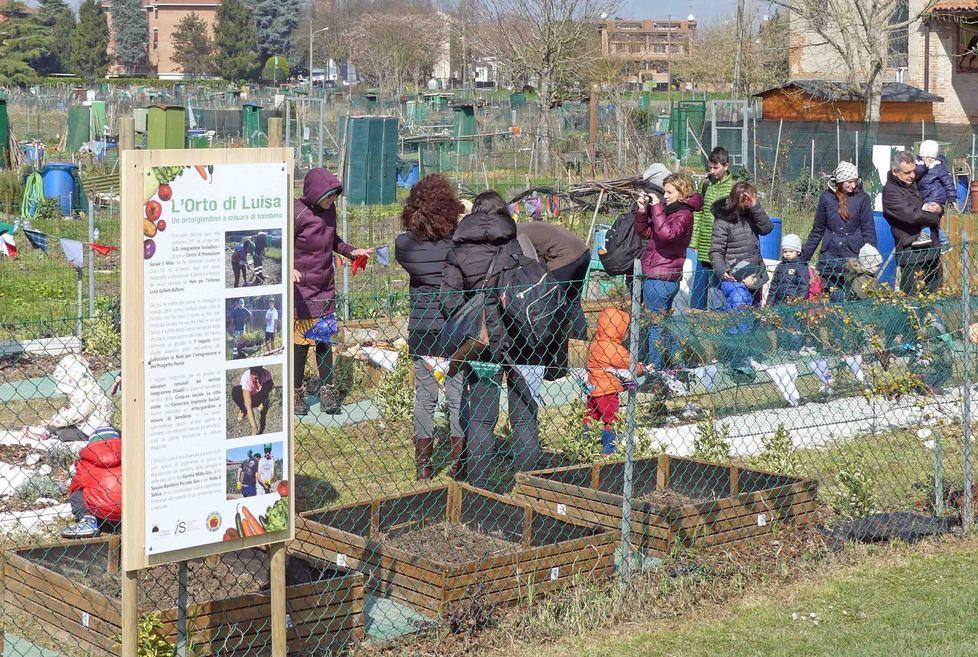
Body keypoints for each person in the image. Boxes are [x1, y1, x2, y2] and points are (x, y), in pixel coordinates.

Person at [441, 190, 541, 488]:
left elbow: (448, 301)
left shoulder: (458, 252)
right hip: (521, 338)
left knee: (482, 420)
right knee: (524, 419)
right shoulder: (517, 243)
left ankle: (479, 487)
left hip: (481, 343)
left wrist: (471, 314)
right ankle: (529, 487)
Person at [394, 174, 466, 480]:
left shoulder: (404, 246)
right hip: (455, 328)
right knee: (457, 395)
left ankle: (423, 465)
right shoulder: (459, 245)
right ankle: (458, 463)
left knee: (424, 397)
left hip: (422, 329)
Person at [293, 167, 372, 415]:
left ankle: (327, 389)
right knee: (301, 343)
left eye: (335, 197)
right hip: (302, 291)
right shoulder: (297, 213)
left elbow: (333, 239)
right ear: (316, 193)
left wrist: (351, 251)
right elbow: (281, 241)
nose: (332, 201)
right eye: (329, 197)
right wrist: (287, 267)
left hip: (325, 287)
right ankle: (295, 392)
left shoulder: (330, 211)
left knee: (325, 341)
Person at [634, 172, 701, 371]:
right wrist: (642, 211)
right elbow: (646, 232)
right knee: (663, 325)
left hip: (661, 277)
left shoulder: (683, 214)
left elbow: (667, 234)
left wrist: (656, 207)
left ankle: (655, 370)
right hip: (659, 274)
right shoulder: (672, 211)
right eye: (664, 192)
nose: (665, 196)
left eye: (669, 192)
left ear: (682, 192)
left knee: (656, 327)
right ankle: (673, 366)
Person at [801, 161, 876, 300]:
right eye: (849, 182)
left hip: (853, 258)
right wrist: (803, 259)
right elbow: (818, 230)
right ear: (840, 181)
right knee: (832, 299)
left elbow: (868, 230)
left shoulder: (862, 198)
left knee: (853, 299)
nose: (853, 185)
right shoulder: (826, 198)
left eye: (855, 181)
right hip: (830, 258)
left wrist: (871, 260)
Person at [515, 221, 590, 340]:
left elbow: (530, 261)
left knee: (549, 300)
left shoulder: (516, 235)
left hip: (565, 258)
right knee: (573, 301)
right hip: (583, 252)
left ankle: (548, 341)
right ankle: (580, 340)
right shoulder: (525, 227)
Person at [882, 151, 943, 294]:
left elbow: (930, 200)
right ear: (895, 172)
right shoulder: (891, 192)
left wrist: (939, 208)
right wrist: (935, 217)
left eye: (913, 171)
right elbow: (912, 216)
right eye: (907, 172)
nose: (912, 175)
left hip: (930, 248)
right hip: (910, 252)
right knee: (911, 299)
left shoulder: (913, 183)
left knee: (935, 296)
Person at [586, 309, 644, 457]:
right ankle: (608, 450)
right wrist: (641, 368)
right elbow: (630, 365)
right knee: (611, 420)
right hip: (608, 392)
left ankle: (584, 440)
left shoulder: (595, 344)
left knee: (591, 415)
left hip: (593, 390)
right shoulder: (615, 349)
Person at [709, 181, 774, 306]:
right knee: (740, 308)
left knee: (754, 312)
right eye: (746, 198)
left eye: (752, 198)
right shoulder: (723, 221)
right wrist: (722, 271)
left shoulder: (752, 215)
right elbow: (716, 250)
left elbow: (767, 229)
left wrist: (756, 207)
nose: (748, 201)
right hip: (734, 277)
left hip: (754, 274)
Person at [25, 354, 115, 443]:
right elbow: (83, 411)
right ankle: (47, 429)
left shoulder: (82, 393)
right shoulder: (95, 387)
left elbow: (75, 415)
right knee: (63, 420)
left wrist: (53, 421)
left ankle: (46, 431)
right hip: (104, 426)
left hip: (90, 431)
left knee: (62, 432)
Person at [690, 147, 736, 307]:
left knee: (718, 290)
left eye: (716, 168)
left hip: (722, 245)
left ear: (726, 166)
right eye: (710, 167)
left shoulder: (734, 187)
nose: (712, 171)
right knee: (698, 293)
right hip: (704, 243)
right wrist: (694, 240)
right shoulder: (706, 184)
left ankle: (717, 321)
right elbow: (699, 211)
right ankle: (695, 321)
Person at [62, 437, 122, 539]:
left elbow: (75, 487)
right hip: (128, 508)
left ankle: (88, 521)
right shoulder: (131, 457)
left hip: (102, 511)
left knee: (77, 492)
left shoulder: (86, 463)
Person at [915, 140, 955, 252]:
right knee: (930, 220)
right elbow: (916, 175)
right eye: (927, 157)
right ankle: (942, 242)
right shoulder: (918, 165)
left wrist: (952, 197)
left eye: (932, 157)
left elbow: (948, 182)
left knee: (925, 218)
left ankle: (939, 240)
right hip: (925, 196)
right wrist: (924, 166)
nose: (930, 159)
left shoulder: (939, 167)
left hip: (935, 196)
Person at [232, 366, 274, 436]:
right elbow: (249, 407)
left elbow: (270, 386)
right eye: (255, 378)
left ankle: (262, 402)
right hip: (250, 393)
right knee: (236, 392)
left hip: (259, 393)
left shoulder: (266, 374)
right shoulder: (247, 381)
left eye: (260, 377)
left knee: (267, 386)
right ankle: (243, 409)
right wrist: (254, 427)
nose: (258, 380)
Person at [769, 234, 810, 306]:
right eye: (785, 251)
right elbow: (774, 285)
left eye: (791, 251)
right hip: (778, 301)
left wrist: (798, 302)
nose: (787, 254)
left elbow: (803, 286)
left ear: (798, 252)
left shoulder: (801, 266)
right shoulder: (780, 266)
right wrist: (769, 303)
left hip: (793, 301)